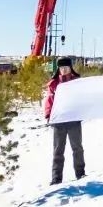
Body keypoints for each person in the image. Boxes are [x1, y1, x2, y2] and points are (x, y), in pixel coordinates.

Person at [43, 57, 85, 185]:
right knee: (58, 150)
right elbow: (49, 101)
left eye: (66, 67)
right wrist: (48, 115)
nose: (64, 70)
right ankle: (56, 178)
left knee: (77, 148)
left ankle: (80, 174)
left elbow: (84, 97)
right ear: (58, 69)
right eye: (61, 68)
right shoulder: (54, 84)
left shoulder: (77, 82)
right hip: (59, 121)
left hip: (73, 120)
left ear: (70, 68)